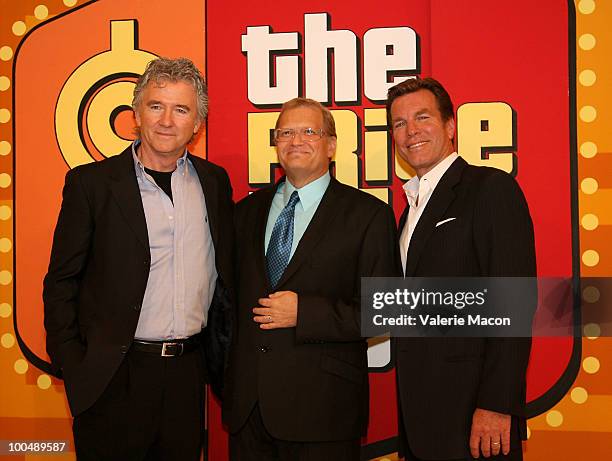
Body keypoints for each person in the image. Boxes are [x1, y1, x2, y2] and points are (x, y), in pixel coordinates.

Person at [43, 57, 234, 460]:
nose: (167, 120)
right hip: (113, 375)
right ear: (136, 114)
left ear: (197, 123)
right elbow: (61, 282)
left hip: (187, 375)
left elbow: (223, 279)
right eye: (156, 106)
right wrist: (75, 368)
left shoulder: (213, 182)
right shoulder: (91, 184)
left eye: (181, 109)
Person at [223, 98, 399, 460]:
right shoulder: (243, 213)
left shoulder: (368, 215)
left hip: (324, 413)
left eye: (309, 131)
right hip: (248, 413)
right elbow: (222, 304)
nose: (295, 140)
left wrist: (306, 313)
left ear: (331, 145)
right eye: (285, 132)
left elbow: (386, 310)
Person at [388, 78, 536, 461]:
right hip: (421, 417)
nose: (410, 131)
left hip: (476, 415)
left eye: (422, 117)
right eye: (399, 124)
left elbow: (514, 304)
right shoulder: (410, 209)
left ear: (450, 126)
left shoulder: (489, 189)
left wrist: (497, 403)